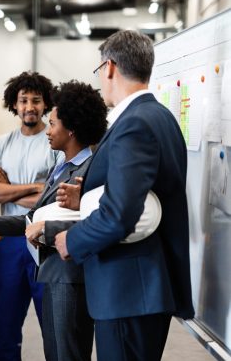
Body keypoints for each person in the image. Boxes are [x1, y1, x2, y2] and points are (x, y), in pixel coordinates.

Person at [54, 30, 195, 360]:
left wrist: (71, 241)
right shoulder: (160, 117)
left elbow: (119, 215)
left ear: (110, 67)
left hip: (128, 290)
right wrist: (86, 198)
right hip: (140, 289)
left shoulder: (134, 124)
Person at [0, 80, 107, 361]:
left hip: (68, 273)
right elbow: (29, 213)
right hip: (46, 263)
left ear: (70, 128)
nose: (48, 130)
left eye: (53, 123)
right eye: (23, 100)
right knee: (48, 345)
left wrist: (17, 196)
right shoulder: (61, 166)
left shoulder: (90, 170)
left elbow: (98, 221)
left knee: (66, 349)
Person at [0, 71, 61, 360]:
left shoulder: (54, 139)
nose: (29, 106)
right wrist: (35, 186)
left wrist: (9, 188)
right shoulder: (4, 142)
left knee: (51, 323)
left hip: (43, 240)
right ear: (14, 104)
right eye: (23, 100)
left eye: (36, 101)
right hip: (9, 240)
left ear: (45, 104)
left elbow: (54, 196)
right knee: (5, 323)